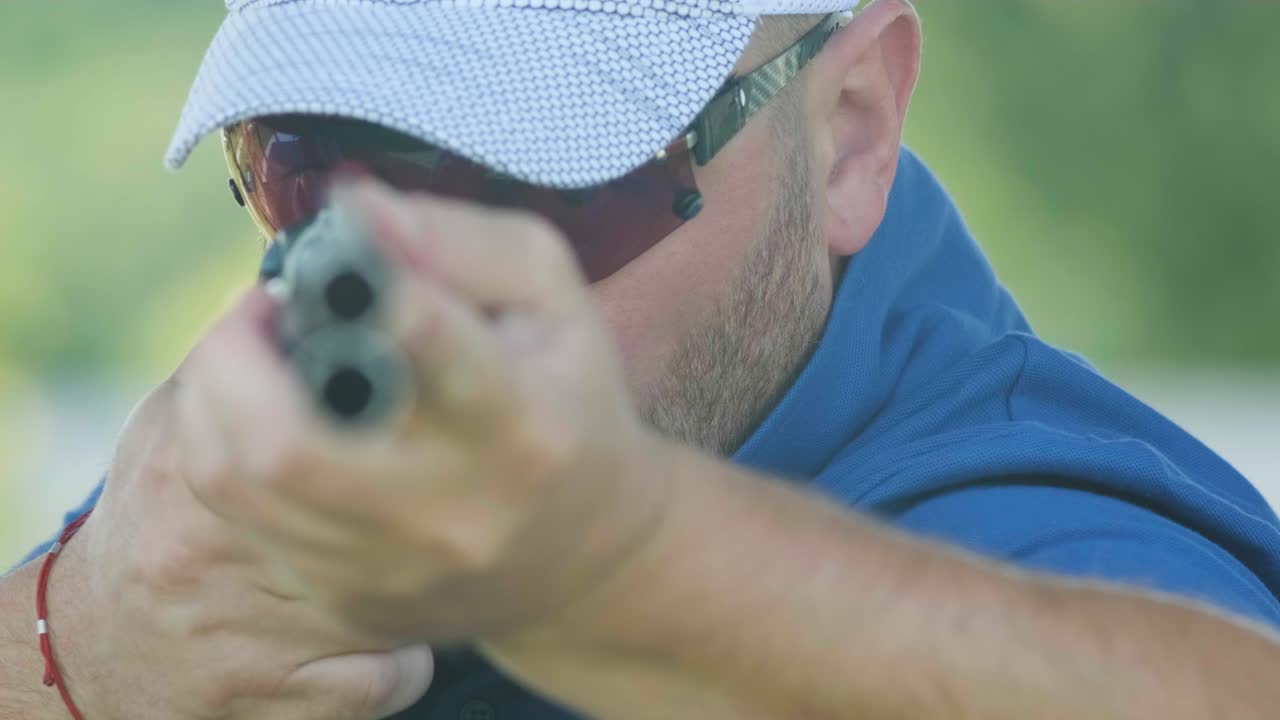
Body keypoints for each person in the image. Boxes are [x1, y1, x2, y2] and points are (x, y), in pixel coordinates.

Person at [3, 0, 1279, 717]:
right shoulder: (319, 398)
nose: (415, 280)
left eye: (548, 187)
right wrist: (79, 644)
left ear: (847, 131)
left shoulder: (1045, 534)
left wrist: (618, 564)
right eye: (311, 171)